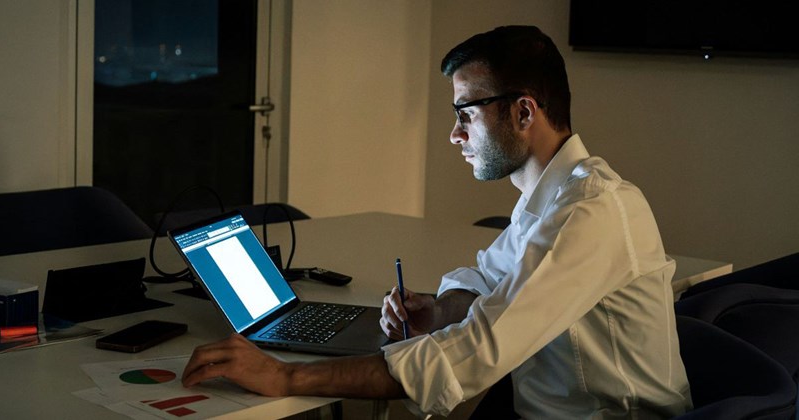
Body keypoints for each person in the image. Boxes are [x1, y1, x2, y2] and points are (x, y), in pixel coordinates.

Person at [182, 25, 692, 418]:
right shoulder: (550, 198)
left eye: (466, 113)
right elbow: (487, 279)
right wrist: (438, 309)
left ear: (523, 112)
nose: (454, 134)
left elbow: (476, 351)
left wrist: (286, 377)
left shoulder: (589, 211)